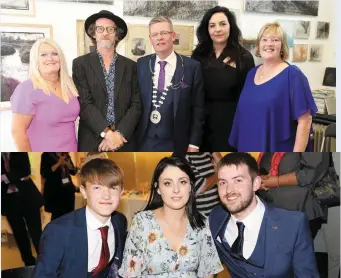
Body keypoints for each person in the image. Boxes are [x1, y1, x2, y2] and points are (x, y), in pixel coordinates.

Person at [209, 152, 319, 278]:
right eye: (223, 182)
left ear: (256, 183)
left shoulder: (293, 224)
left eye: (238, 180)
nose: (229, 190)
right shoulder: (216, 217)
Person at [118, 156, 223, 277]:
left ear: (190, 186)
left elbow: (208, 272)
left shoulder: (201, 223)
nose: (176, 190)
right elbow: (130, 273)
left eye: (182, 182)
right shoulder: (142, 222)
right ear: (158, 188)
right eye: (168, 183)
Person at [229, 22, 317, 151]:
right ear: (258, 45)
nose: (269, 44)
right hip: (248, 145)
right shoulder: (252, 73)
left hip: (278, 149)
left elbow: (305, 121)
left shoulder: (292, 75)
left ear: (282, 46)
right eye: (264, 40)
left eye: (275, 40)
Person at [33, 158, 127, 278]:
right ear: (84, 191)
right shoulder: (58, 232)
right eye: (97, 187)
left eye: (113, 188)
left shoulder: (119, 221)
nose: (106, 196)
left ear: (121, 193)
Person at [73, 10, 141, 152]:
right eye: (100, 29)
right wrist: (107, 134)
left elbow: (136, 104)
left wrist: (119, 134)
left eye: (110, 29)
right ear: (93, 34)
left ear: (117, 35)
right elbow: (85, 103)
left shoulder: (131, 66)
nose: (105, 33)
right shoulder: (80, 64)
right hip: (92, 139)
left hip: (124, 140)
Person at [136, 16, 205, 155]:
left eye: (164, 33)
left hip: (177, 143)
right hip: (144, 142)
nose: (159, 38)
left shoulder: (192, 67)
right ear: (150, 39)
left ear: (173, 36)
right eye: (155, 34)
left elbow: (199, 109)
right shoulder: (141, 64)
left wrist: (194, 144)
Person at [192, 6, 255, 151]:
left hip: (231, 122)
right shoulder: (199, 54)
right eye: (212, 25)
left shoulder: (243, 57)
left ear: (230, 26)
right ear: (206, 29)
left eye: (222, 24)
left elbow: (249, 96)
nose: (217, 29)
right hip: (202, 122)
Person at [10, 38, 79, 152]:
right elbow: (17, 131)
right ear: (35, 60)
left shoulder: (70, 84)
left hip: (71, 153)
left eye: (54, 54)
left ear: (60, 58)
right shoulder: (26, 89)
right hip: (42, 157)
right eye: (43, 55)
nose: (50, 58)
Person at [257, 152, 329, 239]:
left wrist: (276, 181)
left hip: (299, 208)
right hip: (268, 209)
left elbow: (313, 173)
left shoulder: (309, 142)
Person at [1, 152, 44, 266]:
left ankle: (45, 260)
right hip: (9, 201)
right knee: (20, 235)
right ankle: (29, 263)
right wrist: (18, 176)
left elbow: (26, 170)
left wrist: (3, 177)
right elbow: (21, 174)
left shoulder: (19, 151)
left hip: (28, 199)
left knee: (36, 233)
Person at [40, 152, 78, 220]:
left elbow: (73, 172)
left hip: (68, 190)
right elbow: (44, 173)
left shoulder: (65, 154)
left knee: (69, 215)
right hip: (55, 191)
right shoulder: (46, 155)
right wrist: (58, 163)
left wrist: (68, 164)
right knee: (57, 216)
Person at [185, 152, 222, 217]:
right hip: (200, 216)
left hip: (218, 212)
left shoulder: (208, 154)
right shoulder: (187, 157)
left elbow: (228, 173)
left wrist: (217, 156)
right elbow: (201, 187)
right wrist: (218, 173)